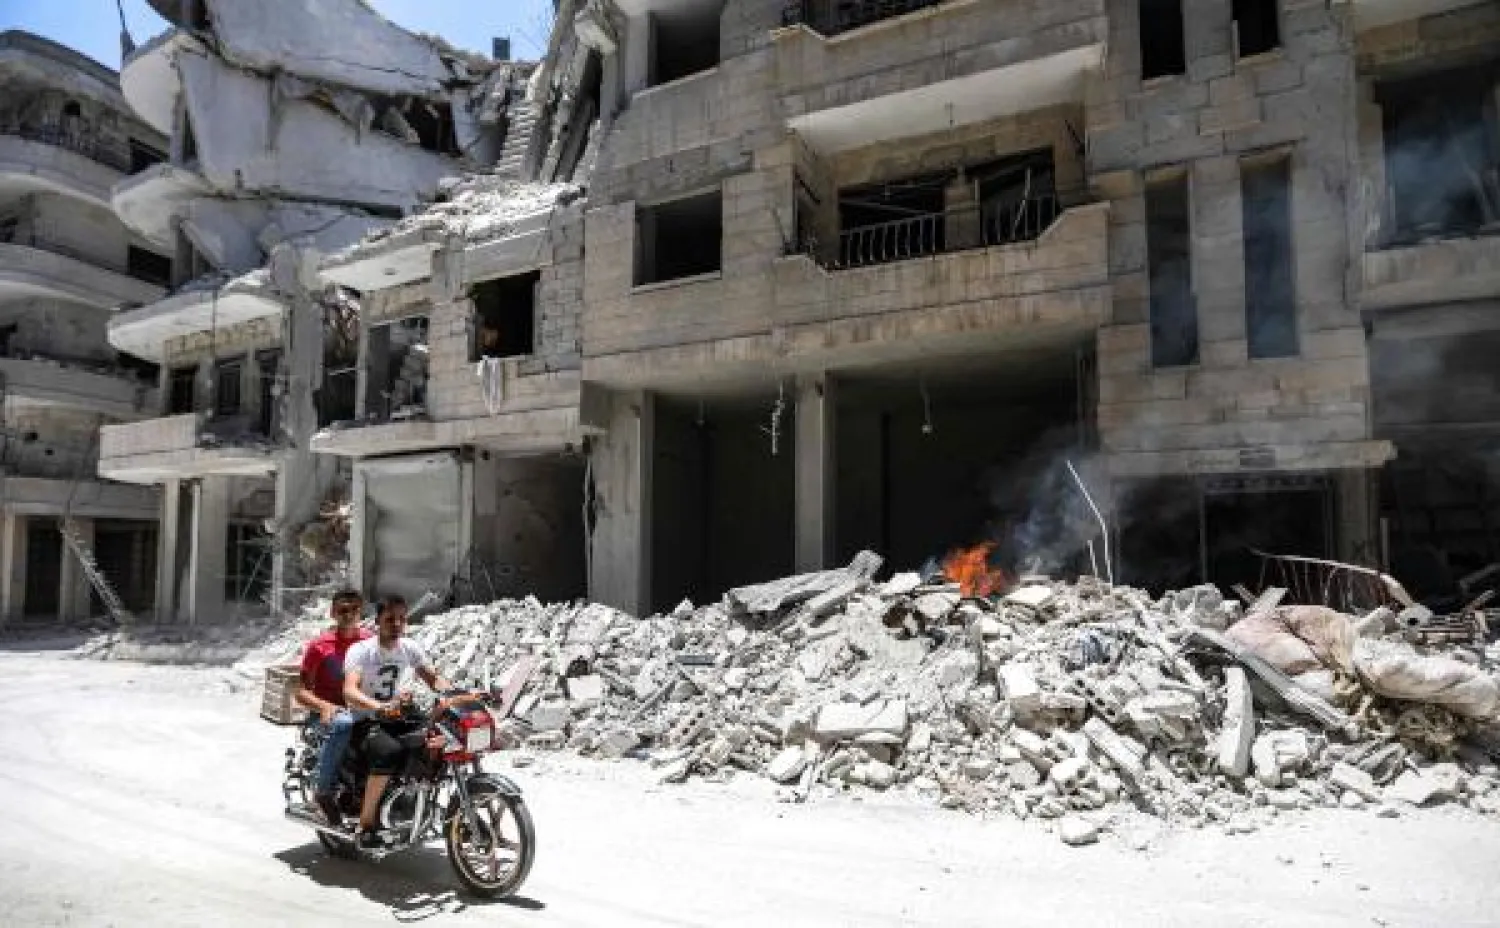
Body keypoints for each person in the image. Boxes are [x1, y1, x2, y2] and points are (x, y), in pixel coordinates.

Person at [342, 595, 452, 849]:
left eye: (402, 619)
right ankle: (366, 823)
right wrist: (379, 707)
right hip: (367, 719)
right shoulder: (362, 651)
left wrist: (456, 695)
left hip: (401, 716)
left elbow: (433, 678)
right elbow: (350, 690)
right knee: (388, 752)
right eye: (390, 618)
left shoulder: (409, 648)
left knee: (441, 739)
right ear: (378, 621)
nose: (397, 624)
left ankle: (417, 800)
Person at [294, 588, 371, 826]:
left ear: (361, 613)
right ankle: (323, 792)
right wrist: (324, 706)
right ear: (333, 613)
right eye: (343, 610)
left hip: (363, 709)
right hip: (329, 714)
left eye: (354, 610)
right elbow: (301, 691)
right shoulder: (319, 646)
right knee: (344, 723)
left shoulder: (370, 641)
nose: (348, 615)